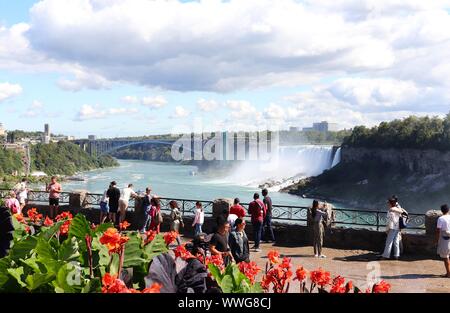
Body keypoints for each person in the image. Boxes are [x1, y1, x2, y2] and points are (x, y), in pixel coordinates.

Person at [436, 204, 450, 278]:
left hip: (445, 239)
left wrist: (437, 240)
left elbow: (438, 231)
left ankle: (448, 274)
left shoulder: (441, 219)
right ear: (448, 210)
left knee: (445, 257)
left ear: (441, 211)